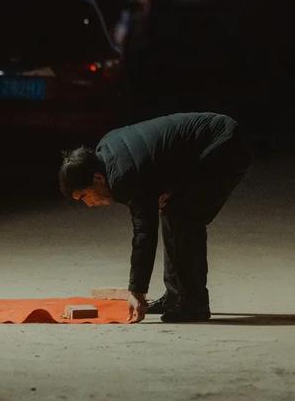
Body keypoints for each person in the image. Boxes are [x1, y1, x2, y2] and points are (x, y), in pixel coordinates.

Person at [59, 112, 252, 323]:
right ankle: (176, 296)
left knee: (184, 216)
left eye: (84, 196)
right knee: (172, 209)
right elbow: (156, 161)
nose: (88, 204)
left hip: (225, 144)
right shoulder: (105, 153)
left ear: (97, 178)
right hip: (211, 142)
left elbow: (144, 235)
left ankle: (194, 303)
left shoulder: (125, 176)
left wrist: (137, 291)